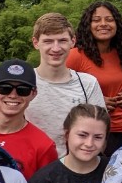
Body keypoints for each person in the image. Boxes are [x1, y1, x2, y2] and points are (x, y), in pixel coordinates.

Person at [25, 12, 105, 157]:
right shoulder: (23, 83)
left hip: (76, 166)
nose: (56, 48)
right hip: (31, 165)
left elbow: (100, 129)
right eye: (48, 41)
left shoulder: (87, 84)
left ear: (72, 42)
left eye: (62, 40)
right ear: (36, 43)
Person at [68, 0, 122, 155]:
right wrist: (95, 101)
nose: (103, 24)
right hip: (96, 132)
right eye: (96, 20)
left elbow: (119, 83)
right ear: (88, 25)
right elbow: (63, 92)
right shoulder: (75, 56)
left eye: (109, 19)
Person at [0, 59, 58, 178]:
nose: (13, 95)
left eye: (22, 90)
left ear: (33, 93)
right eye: (5, 88)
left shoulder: (43, 146)